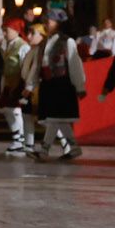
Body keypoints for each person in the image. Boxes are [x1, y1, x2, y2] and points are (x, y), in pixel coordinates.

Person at [24, 11, 86, 161]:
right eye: (45, 21)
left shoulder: (67, 42)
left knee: (54, 118)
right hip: (48, 84)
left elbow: (74, 64)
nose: (46, 24)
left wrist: (80, 86)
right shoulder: (43, 43)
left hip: (62, 84)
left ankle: (44, 150)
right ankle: (74, 148)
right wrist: (30, 85)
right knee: (57, 119)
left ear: (59, 23)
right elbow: (37, 66)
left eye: (49, 21)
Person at [0, 18, 32, 156]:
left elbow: (26, 65)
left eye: (7, 31)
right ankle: (16, 137)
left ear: (17, 31)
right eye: (4, 31)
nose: (4, 34)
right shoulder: (9, 45)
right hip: (8, 82)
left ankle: (19, 140)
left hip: (18, 82)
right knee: (6, 109)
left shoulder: (23, 46)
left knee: (15, 110)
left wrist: (25, 85)